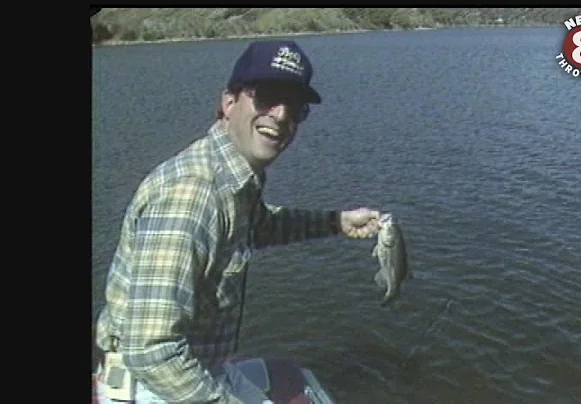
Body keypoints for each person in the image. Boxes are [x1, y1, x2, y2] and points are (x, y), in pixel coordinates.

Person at [93, 39, 381, 403]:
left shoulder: (233, 174)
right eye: (267, 96)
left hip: (198, 366)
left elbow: (254, 226)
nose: (280, 115)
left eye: (295, 107)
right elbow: (152, 351)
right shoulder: (190, 195)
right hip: (155, 385)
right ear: (229, 102)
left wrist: (336, 223)